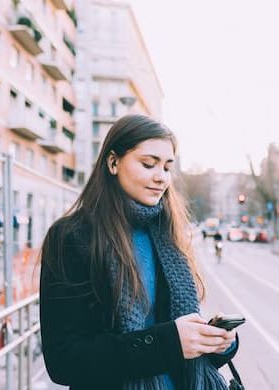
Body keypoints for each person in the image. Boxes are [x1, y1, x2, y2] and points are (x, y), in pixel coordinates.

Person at [39, 115, 239, 389]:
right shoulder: (73, 236)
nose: (161, 178)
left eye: (167, 168)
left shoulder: (166, 233)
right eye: (148, 164)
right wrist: (170, 342)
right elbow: (64, 362)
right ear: (113, 162)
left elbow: (182, 352)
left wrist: (213, 342)